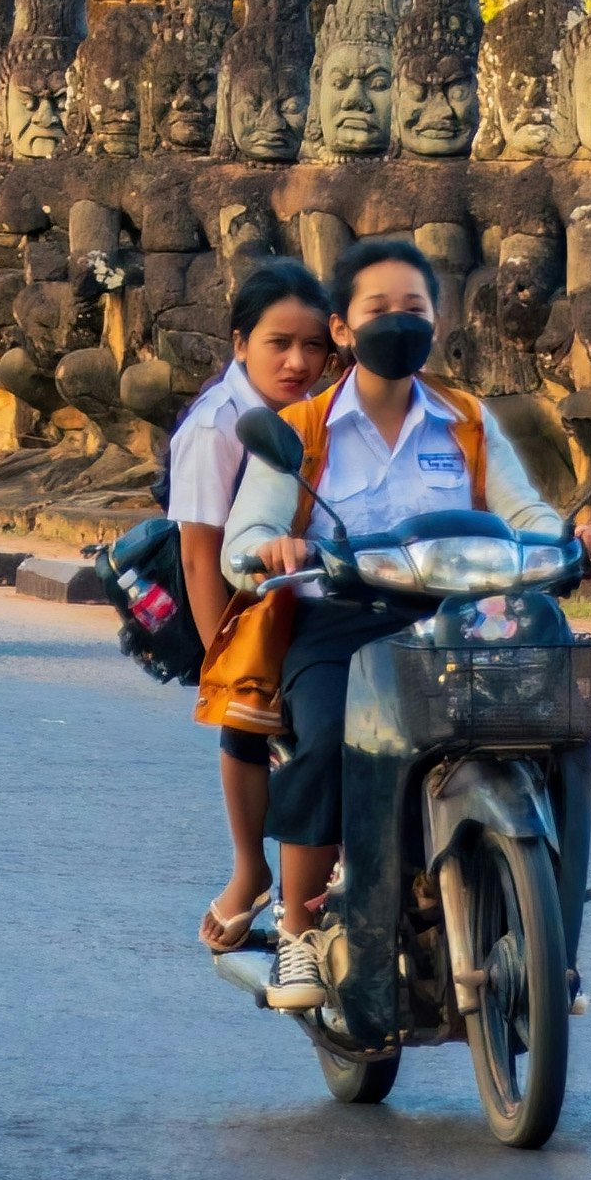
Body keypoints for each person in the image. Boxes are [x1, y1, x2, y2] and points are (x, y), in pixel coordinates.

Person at [230, 236, 497, 1000]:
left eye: (413, 308)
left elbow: (525, 511)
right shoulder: (306, 427)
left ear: (437, 323)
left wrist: (578, 537)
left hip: (453, 622)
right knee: (322, 742)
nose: (397, 322)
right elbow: (245, 536)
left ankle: (526, 906)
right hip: (338, 623)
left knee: (528, 729)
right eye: (377, 309)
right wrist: (271, 547)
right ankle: (296, 936)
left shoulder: (468, 422)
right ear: (342, 329)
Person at [167, 262, 347, 955]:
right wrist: (231, 659)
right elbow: (198, 552)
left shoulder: (332, 415)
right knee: (251, 722)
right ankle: (251, 872)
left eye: (314, 348)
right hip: (240, 597)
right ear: (241, 343)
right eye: (279, 343)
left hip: (326, 594)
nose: (298, 362)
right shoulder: (219, 426)